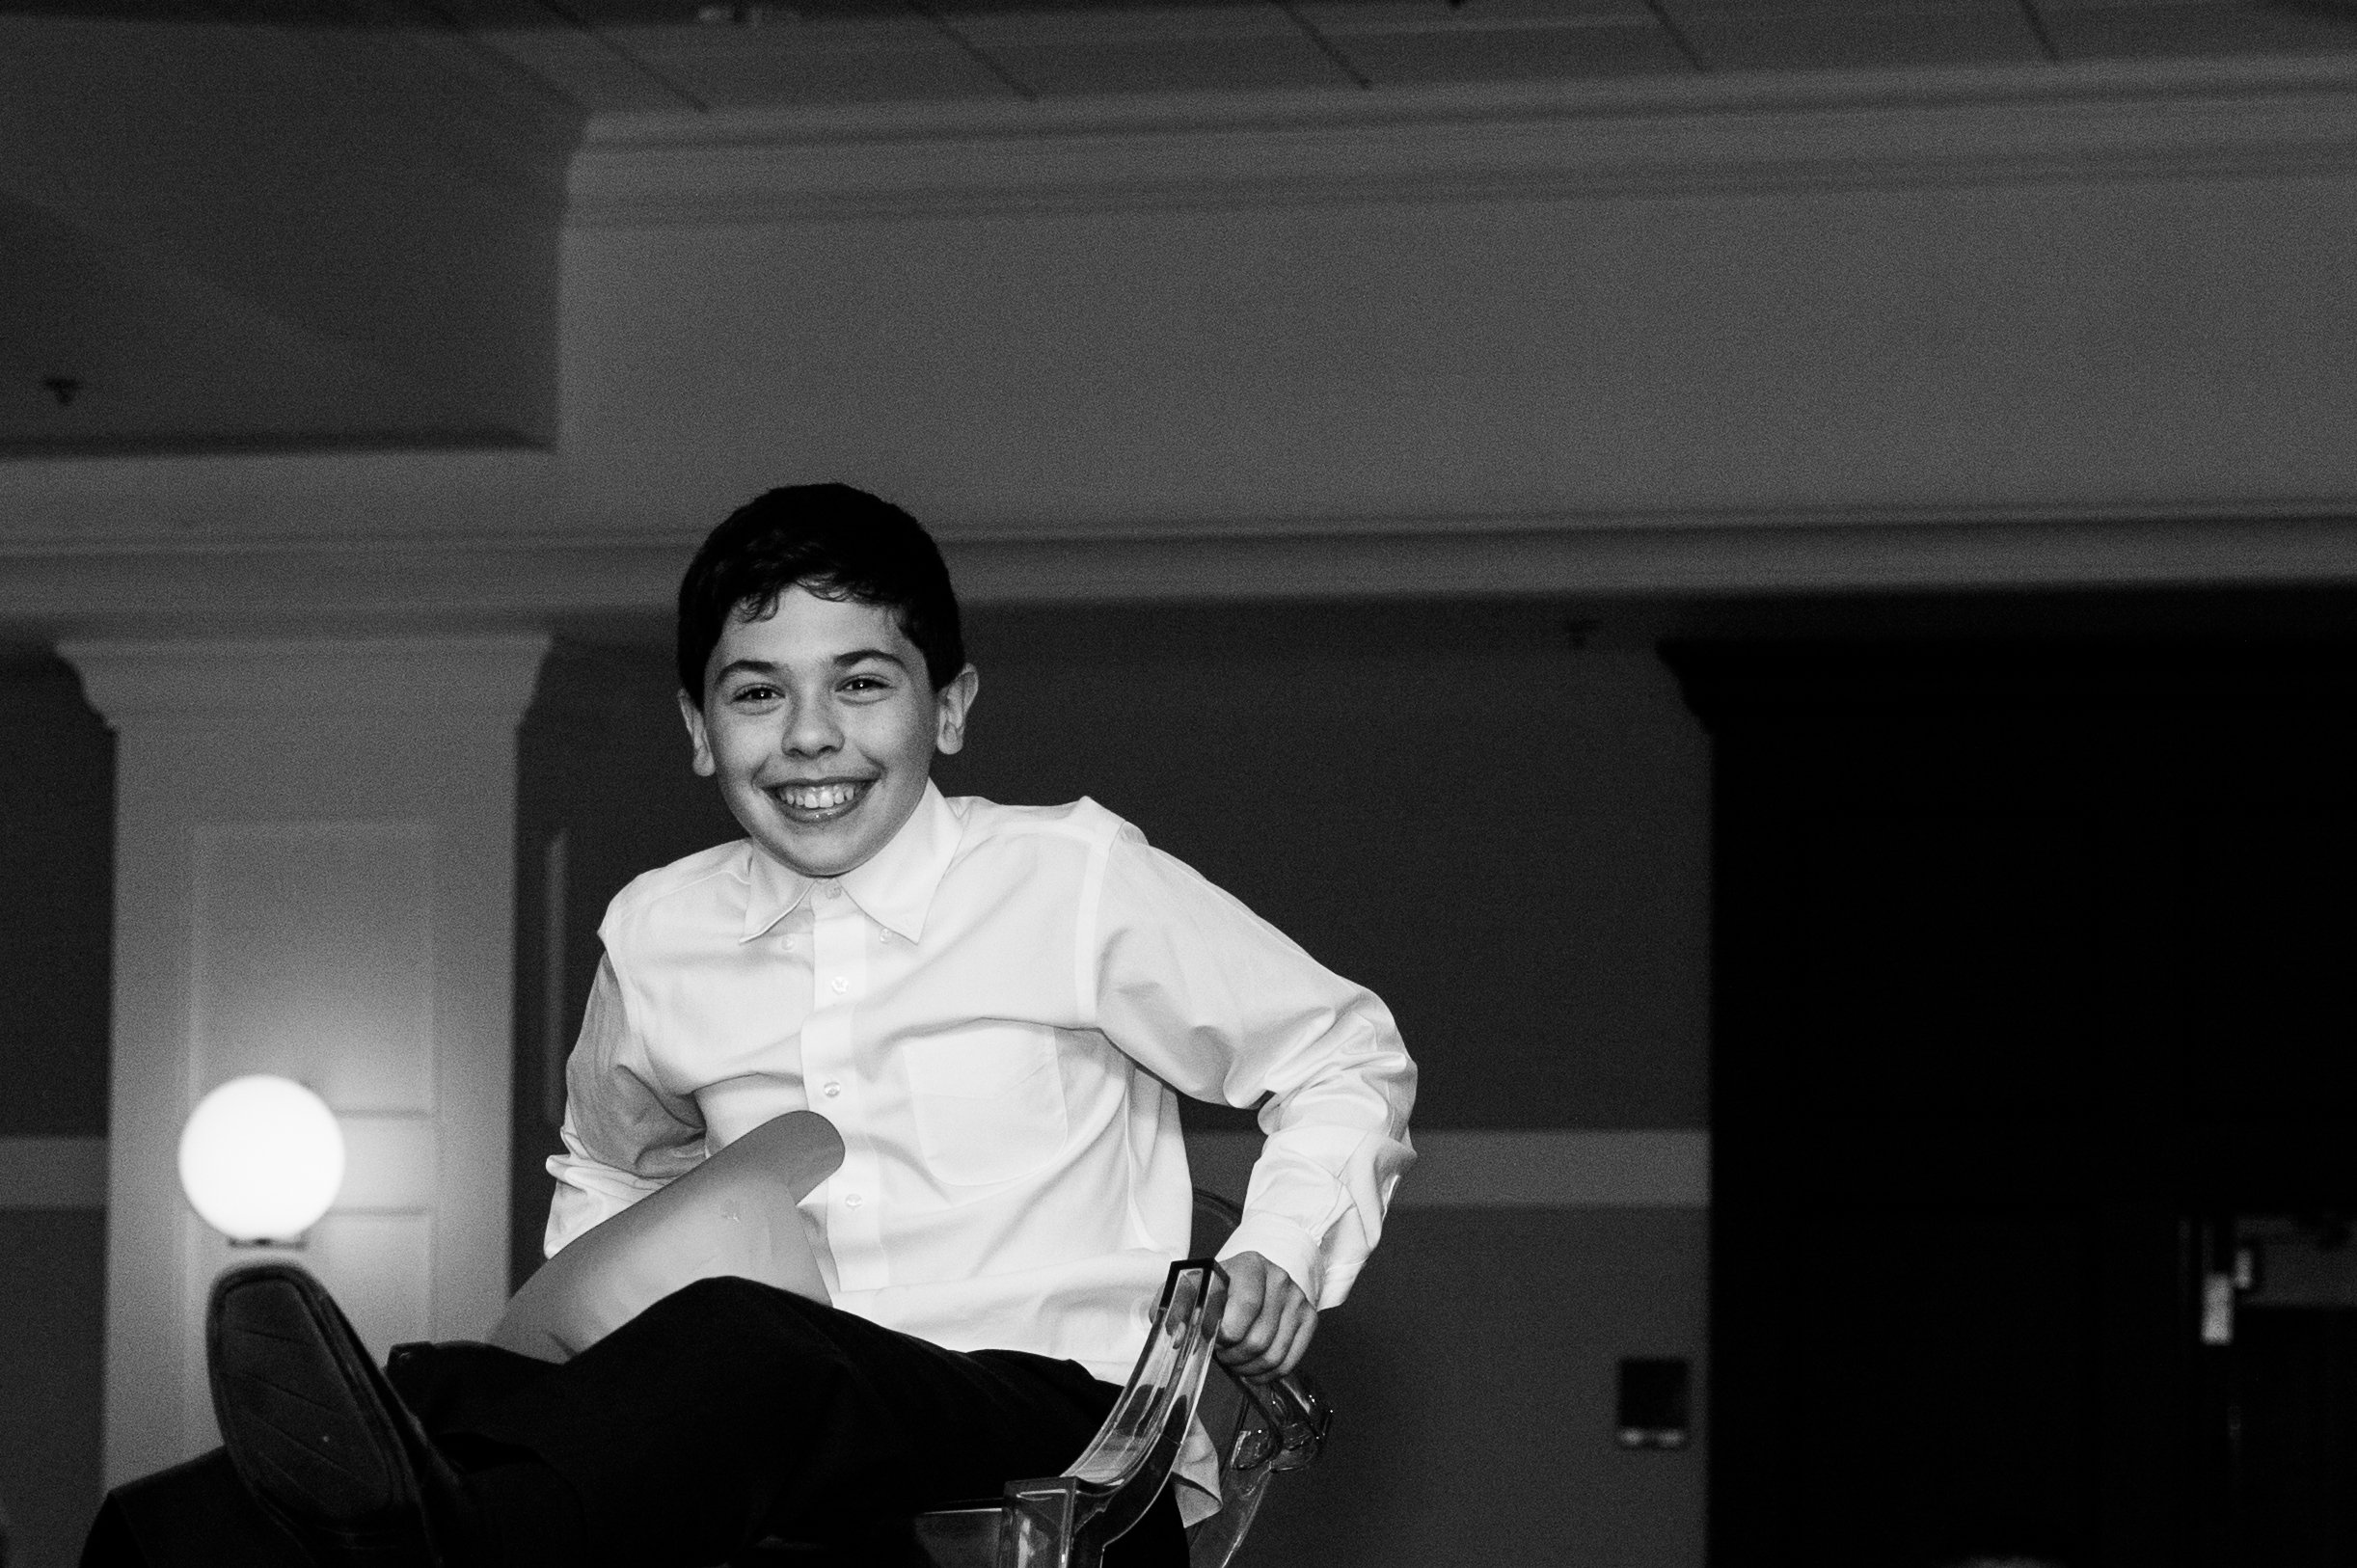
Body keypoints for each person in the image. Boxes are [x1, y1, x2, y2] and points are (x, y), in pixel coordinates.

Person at [86, 484, 1416, 1568]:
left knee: (748, 1349)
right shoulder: (661, 930)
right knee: (439, 1387)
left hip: (1043, 1431)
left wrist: (1283, 1247)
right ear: (695, 727)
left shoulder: (1069, 881)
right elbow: (608, 1169)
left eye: (863, 683)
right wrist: (593, 1367)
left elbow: (1345, 1051)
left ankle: (469, 1546)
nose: (810, 736)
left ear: (947, 706)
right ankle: (156, 1545)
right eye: (758, 692)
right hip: (774, 1440)